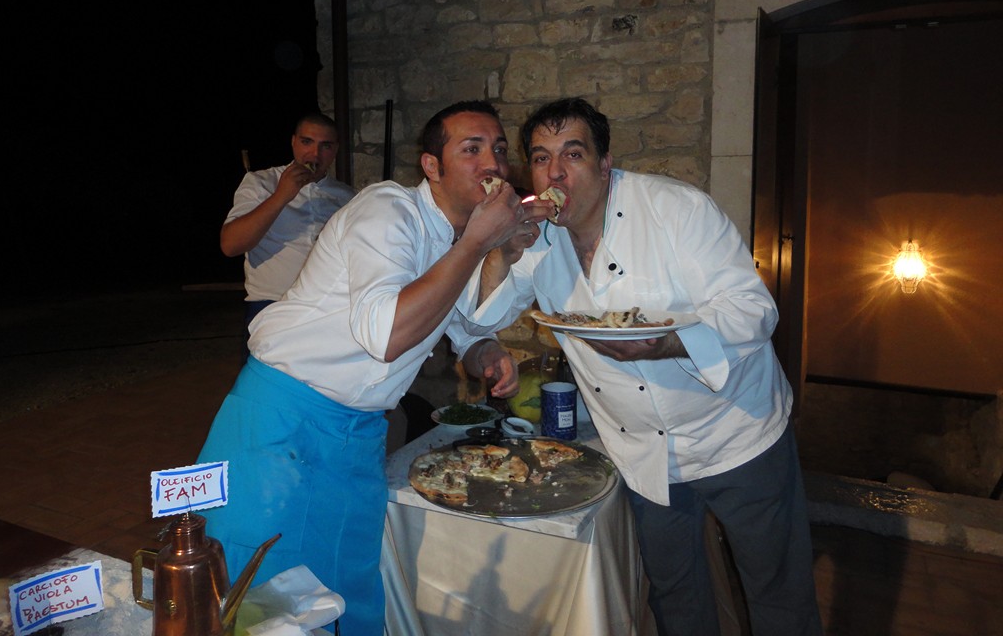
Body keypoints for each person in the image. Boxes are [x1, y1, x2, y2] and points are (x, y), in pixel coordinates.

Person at [196, 100, 551, 636]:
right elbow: (386, 335)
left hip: (357, 436)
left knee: (346, 593)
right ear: (432, 166)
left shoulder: (456, 238)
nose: (493, 163)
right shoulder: (387, 210)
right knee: (264, 604)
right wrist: (481, 241)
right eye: (471, 148)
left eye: (499, 149)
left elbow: (463, 319)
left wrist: (482, 346)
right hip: (283, 423)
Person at [474, 98, 823, 636]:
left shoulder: (676, 209)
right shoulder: (538, 236)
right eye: (542, 158)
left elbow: (754, 310)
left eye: (573, 154)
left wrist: (668, 345)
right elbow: (486, 316)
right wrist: (502, 252)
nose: (555, 173)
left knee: (778, 595)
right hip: (643, 452)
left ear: (605, 163)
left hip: (735, 431)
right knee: (675, 594)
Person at [220, 112, 356, 351]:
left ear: (335, 150)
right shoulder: (261, 182)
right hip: (273, 305)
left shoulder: (347, 196)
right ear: (293, 142)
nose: (314, 154)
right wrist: (282, 195)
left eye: (325, 146)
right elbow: (230, 245)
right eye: (306, 142)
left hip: (328, 309)